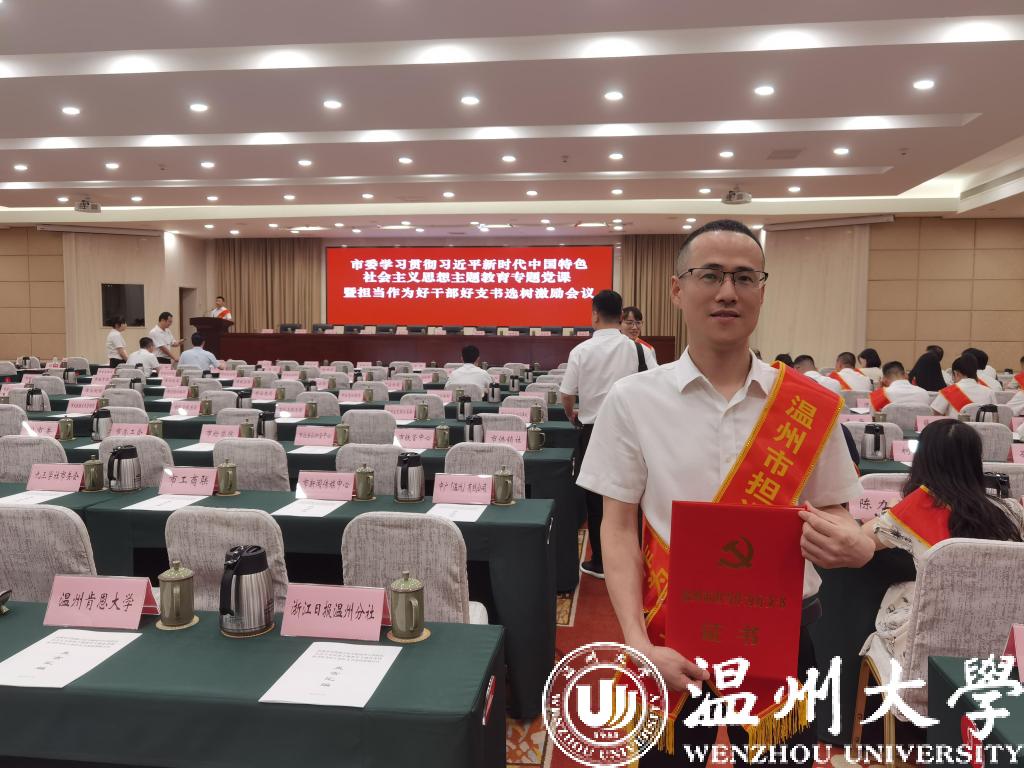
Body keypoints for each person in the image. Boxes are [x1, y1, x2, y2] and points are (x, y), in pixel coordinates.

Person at [577, 219, 869, 766]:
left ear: (762, 290)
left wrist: (856, 542)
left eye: (744, 277)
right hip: (668, 637)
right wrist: (638, 644)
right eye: (710, 275)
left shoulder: (807, 404)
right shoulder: (633, 399)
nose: (728, 291)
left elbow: (833, 507)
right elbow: (616, 529)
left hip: (782, 634)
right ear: (677, 289)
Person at [859, 419, 1022, 677]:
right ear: (975, 462)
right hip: (1002, 645)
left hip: (929, 654)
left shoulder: (909, 513)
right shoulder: (1011, 510)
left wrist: (893, 509)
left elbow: (861, 541)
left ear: (922, 461)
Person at [561, 289, 651, 579]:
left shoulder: (581, 351)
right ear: (621, 315)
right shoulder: (640, 350)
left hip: (593, 431)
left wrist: (571, 415)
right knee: (633, 494)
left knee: (596, 498)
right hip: (632, 432)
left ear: (595, 315)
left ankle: (601, 562)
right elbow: (656, 387)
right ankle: (636, 557)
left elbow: (566, 394)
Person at [930, 353, 995, 416]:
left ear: (956, 373)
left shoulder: (948, 391)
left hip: (956, 424)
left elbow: (935, 415)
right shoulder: (989, 392)